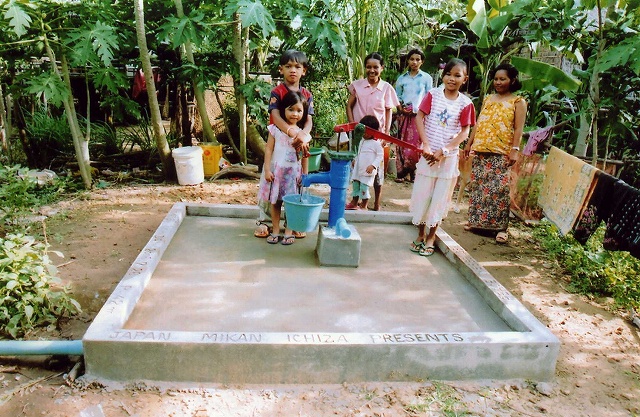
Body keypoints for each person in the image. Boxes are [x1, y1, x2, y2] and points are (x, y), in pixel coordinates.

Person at [409, 58, 476, 256]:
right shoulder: (433, 94)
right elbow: (419, 117)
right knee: (423, 195)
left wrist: (444, 150)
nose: (451, 79)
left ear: (465, 79)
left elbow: (464, 132)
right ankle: (420, 234)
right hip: (428, 155)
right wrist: (426, 145)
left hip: (448, 159)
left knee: (440, 197)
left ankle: (431, 236)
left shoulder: (466, 104)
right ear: (443, 75)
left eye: (457, 75)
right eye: (448, 74)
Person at [462, 63, 527, 244]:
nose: (498, 82)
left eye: (502, 79)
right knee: (479, 187)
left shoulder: (518, 102)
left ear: (512, 80)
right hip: (481, 148)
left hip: (502, 151)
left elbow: (518, 128)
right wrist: (469, 143)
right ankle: (477, 223)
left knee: (499, 190)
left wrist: (515, 150)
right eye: (496, 79)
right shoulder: (488, 98)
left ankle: (501, 228)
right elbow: (479, 122)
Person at [255, 50, 313, 239]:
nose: (293, 70)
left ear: (304, 70)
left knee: (295, 188)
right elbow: (275, 115)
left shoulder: (307, 94)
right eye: (288, 66)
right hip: (279, 141)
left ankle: (293, 223)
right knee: (270, 185)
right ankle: (265, 222)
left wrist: (303, 135)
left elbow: (309, 120)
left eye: (297, 66)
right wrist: (290, 131)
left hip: (297, 145)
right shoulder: (277, 92)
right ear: (281, 70)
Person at [346, 52, 400, 211]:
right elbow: (349, 106)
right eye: (368, 67)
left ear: (382, 68)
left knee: (377, 170)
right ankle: (355, 200)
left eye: (375, 67)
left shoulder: (386, 88)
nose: (372, 70)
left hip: (377, 136)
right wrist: (353, 125)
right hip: (359, 135)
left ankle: (376, 204)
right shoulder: (357, 86)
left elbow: (389, 111)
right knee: (357, 166)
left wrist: (386, 134)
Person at [256, 91, 310, 245]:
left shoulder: (302, 135)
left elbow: (305, 155)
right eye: (291, 109)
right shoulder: (275, 129)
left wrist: (305, 175)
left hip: (293, 175)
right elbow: (268, 150)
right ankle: (275, 230)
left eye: (299, 110)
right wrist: (267, 170)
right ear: (283, 110)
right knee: (275, 202)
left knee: (292, 204)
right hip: (277, 173)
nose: (295, 114)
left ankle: (288, 231)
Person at [394, 48, 433, 183]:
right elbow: (397, 97)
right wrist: (401, 109)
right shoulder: (402, 78)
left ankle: (413, 172)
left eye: (417, 59)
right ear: (408, 61)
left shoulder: (426, 78)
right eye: (412, 59)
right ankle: (402, 173)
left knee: (416, 145)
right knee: (402, 144)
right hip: (404, 117)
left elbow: (429, 98)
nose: (414, 62)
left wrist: (421, 112)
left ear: (422, 62)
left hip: (419, 117)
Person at [345, 116, 383, 210]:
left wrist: (373, 165)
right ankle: (354, 202)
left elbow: (380, 156)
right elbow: (358, 152)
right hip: (358, 168)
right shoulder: (361, 141)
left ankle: (364, 204)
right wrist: (355, 159)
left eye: (367, 132)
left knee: (364, 188)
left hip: (367, 170)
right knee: (355, 185)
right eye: (363, 131)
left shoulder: (376, 143)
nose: (364, 134)